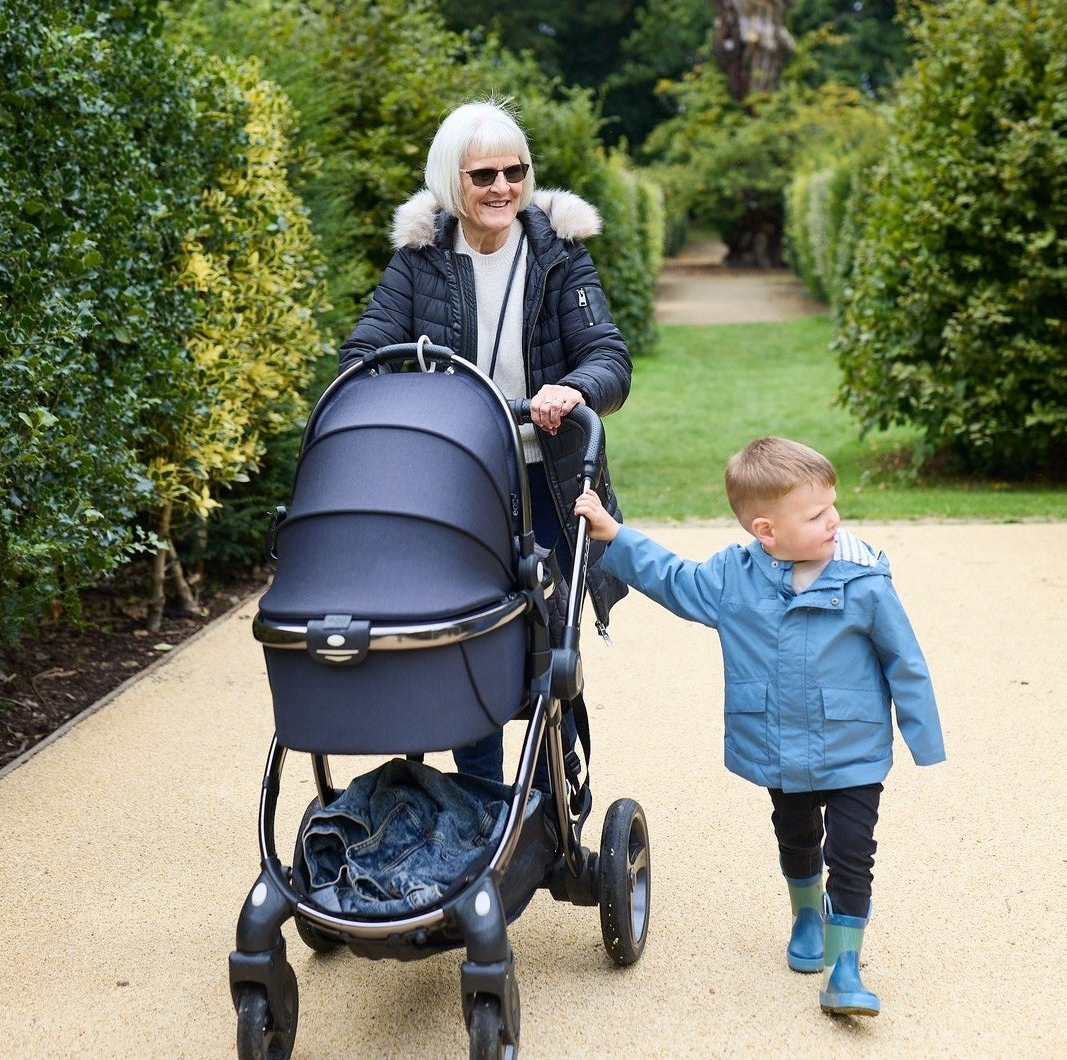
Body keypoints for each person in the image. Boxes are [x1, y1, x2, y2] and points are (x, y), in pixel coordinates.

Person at [571, 437, 944, 1017]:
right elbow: (674, 579)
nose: (834, 520)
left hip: (853, 746)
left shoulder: (862, 578)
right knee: (796, 837)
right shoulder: (734, 578)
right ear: (766, 531)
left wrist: (923, 737)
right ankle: (805, 916)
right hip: (776, 744)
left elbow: (905, 659)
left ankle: (846, 965)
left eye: (833, 506)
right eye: (816, 514)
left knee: (852, 852)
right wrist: (613, 535)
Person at [339, 100, 631, 799]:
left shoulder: (561, 254)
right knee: (470, 642)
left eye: (515, 170)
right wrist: (419, 399)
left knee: (546, 649)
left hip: (548, 480)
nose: (502, 187)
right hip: (458, 484)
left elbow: (608, 358)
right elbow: (362, 358)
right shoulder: (418, 262)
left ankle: (550, 796)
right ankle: (485, 807)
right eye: (483, 176)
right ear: (452, 183)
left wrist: (573, 388)